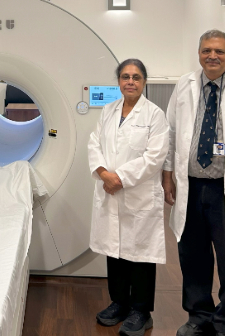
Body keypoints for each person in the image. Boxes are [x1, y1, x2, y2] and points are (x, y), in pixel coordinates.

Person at [163, 29, 225, 336]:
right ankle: (198, 316)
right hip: (192, 185)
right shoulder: (184, 86)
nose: (212, 56)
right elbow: (171, 132)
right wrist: (167, 174)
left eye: (219, 51)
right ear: (199, 53)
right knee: (192, 254)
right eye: (206, 50)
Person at [88, 59, 169, 336]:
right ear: (119, 82)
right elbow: (94, 143)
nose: (130, 81)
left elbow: (155, 157)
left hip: (138, 194)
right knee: (115, 250)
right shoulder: (109, 110)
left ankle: (141, 311)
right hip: (110, 191)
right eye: (125, 76)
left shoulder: (155, 115)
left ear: (144, 81)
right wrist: (102, 172)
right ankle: (119, 303)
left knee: (141, 254)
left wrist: (118, 178)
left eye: (136, 77)